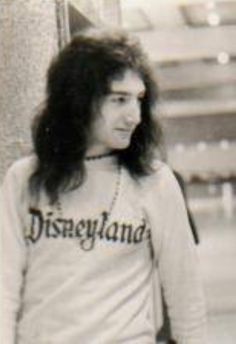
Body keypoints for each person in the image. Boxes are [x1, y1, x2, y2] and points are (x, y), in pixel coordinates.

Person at [0, 28, 207, 344]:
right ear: (78, 99)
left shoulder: (154, 181)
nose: (134, 116)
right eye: (119, 99)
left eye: (138, 100)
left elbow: (185, 293)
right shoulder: (24, 179)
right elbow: (4, 286)